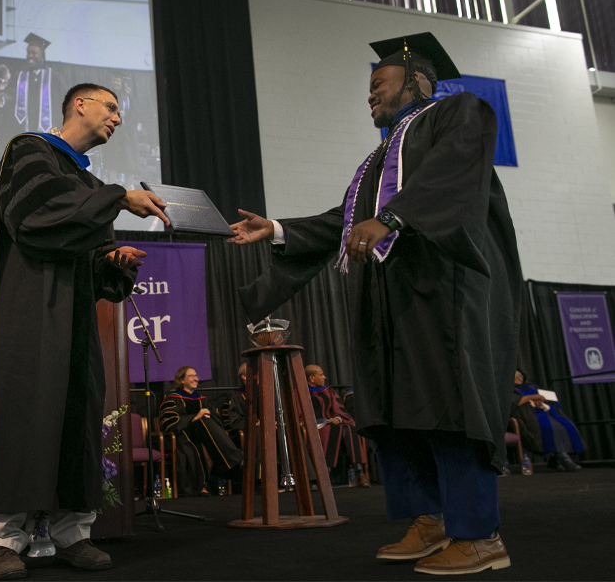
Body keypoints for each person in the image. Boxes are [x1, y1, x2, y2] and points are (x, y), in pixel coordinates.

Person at [229, 32, 521, 575]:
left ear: (415, 80)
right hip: (395, 299)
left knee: (449, 404)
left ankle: (480, 535)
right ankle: (431, 520)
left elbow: (451, 176)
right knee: (399, 408)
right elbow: (343, 220)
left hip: (445, 291)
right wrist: (274, 229)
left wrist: (390, 218)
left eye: (377, 83)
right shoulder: (378, 160)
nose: (369, 95)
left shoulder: (460, 112)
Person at [0, 82, 169, 579]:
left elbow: (92, 263)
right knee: (26, 412)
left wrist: (113, 260)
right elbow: (36, 221)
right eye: (112, 107)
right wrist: (119, 198)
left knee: (79, 412)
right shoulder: (29, 150)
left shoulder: (88, 184)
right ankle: (5, 539)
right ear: (80, 104)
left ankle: (73, 532)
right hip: (29, 308)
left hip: (74, 317)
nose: (118, 119)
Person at [159, 367, 243, 497]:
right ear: (181, 380)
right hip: (182, 435)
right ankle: (236, 459)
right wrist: (195, 417)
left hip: (204, 434)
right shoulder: (173, 398)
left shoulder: (203, 399)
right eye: (191, 376)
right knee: (203, 421)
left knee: (206, 423)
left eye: (196, 375)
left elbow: (217, 419)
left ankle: (208, 483)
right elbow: (169, 422)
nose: (196, 378)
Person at [306, 365, 368, 487]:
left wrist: (337, 418)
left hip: (330, 424)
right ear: (312, 378)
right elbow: (299, 414)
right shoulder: (300, 393)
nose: (324, 377)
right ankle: (325, 474)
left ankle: (359, 472)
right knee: (330, 429)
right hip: (313, 427)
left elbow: (340, 410)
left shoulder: (329, 392)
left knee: (349, 428)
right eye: (321, 374)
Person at [510, 370, 584, 472]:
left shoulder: (531, 387)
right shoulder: (509, 389)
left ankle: (556, 458)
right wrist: (532, 397)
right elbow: (512, 403)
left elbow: (544, 397)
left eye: (520, 375)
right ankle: (563, 457)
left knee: (566, 426)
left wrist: (541, 399)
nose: (519, 377)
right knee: (547, 427)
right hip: (527, 417)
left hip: (543, 413)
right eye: (515, 375)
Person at [6, 33, 66, 137]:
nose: (30, 56)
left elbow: (65, 102)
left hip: (49, 133)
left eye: (34, 53)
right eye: (28, 53)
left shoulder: (54, 78)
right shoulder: (19, 77)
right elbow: (9, 96)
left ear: (42, 56)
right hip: (25, 132)